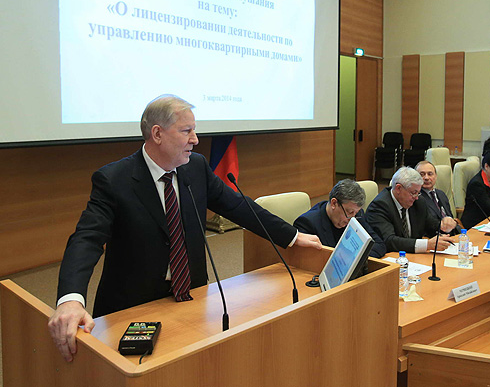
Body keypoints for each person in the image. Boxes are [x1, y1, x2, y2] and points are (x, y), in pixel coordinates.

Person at [48, 94, 322, 362]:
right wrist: (70, 299)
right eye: (186, 131)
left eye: (194, 130)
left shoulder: (196, 167)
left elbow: (238, 207)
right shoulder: (114, 179)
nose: (195, 139)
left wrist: (292, 235)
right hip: (134, 306)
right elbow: (86, 239)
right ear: (157, 134)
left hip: (192, 296)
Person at [365, 166, 456, 253]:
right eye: (413, 193)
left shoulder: (418, 202)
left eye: (418, 193)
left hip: (414, 258)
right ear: (398, 188)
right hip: (391, 258)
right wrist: (427, 245)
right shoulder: (379, 206)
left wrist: (444, 225)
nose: (416, 197)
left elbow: (431, 226)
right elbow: (390, 241)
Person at [294, 179, 386, 258]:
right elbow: (309, 261)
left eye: (355, 213)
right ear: (334, 203)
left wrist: (354, 259)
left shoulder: (355, 215)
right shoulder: (307, 223)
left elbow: (379, 245)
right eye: (349, 212)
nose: (352, 219)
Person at [415, 161, 461, 235]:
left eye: (430, 174)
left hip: (453, 234)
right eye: (422, 174)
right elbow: (424, 226)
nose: (426, 178)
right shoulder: (416, 198)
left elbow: (450, 217)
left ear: (436, 176)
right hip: (435, 237)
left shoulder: (441, 194)